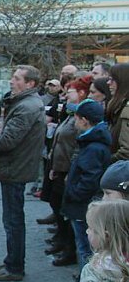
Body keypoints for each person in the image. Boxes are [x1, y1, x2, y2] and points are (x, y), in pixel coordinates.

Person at [0, 65, 47, 282]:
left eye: (17, 78)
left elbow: (8, 140)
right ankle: (12, 259)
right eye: (12, 77)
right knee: (12, 218)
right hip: (16, 166)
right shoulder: (26, 103)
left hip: (15, 167)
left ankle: (14, 267)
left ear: (30, 84)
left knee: (13, 220)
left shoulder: (27, 106)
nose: (12, 81)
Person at [63, 100, 111, 275]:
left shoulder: (93, 147)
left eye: (76, 118)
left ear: (84, 120)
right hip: (83, 203)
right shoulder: (93, 142)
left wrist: (74, 194)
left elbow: (90, 178)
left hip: (83, 205)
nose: (74, 122)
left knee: (85, 248)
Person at [45, 80, 85, 267]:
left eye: (71, 92)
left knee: (67, 211)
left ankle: (69, 250)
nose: (66, 95)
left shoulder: (83, 115)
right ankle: (62, 242)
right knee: (57, 204)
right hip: (60, 166)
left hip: (69, 169)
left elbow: (77, 145)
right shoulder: (70, 113)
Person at [105, 63, 129, 161]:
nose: (108, 83)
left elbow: (126, 151)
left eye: (112, 79)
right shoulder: (119, 106)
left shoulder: (126, 109)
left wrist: (105, 163)